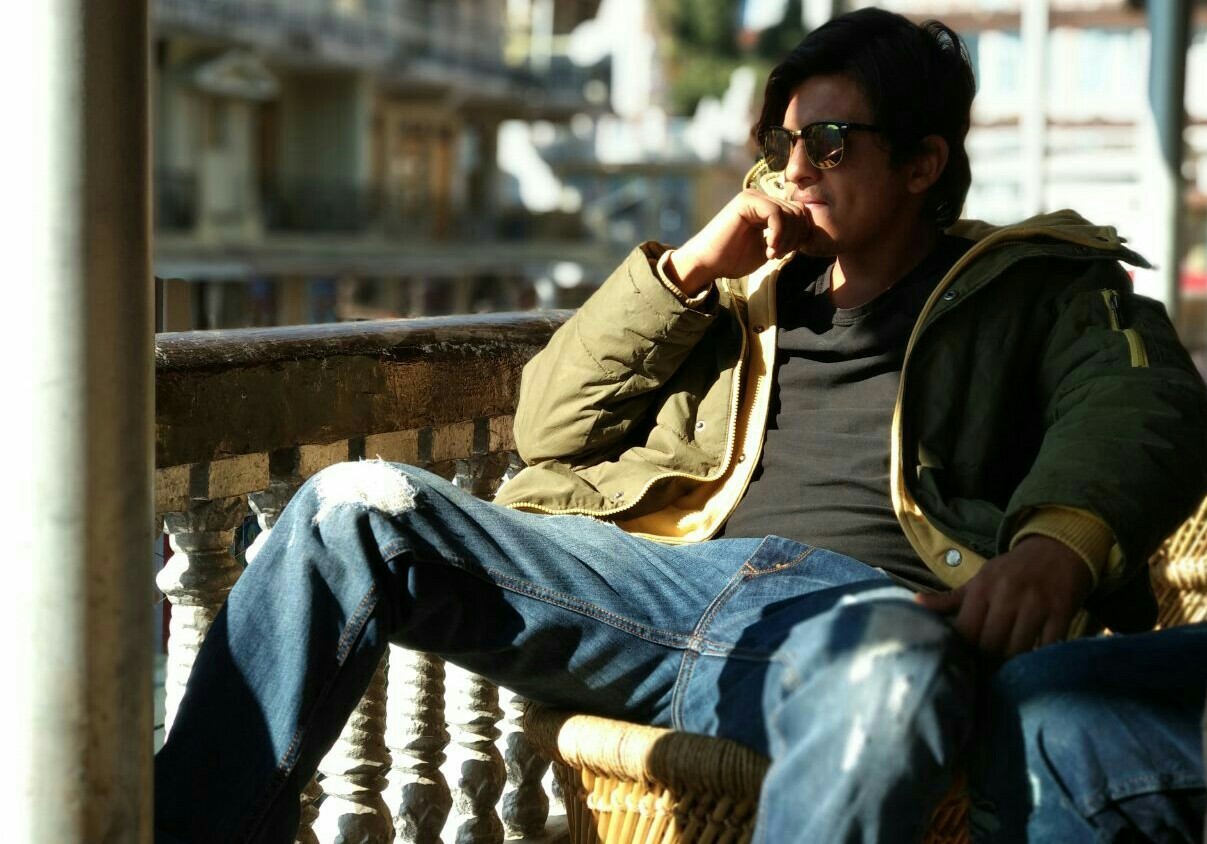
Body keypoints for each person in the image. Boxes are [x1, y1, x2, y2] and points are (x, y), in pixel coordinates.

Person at [155, 8, 1207, 843]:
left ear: (922, 164)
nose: (797, 169)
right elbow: (549, 425)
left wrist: (1057, 544)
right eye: (782, 143)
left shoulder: (1032, 288)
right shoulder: (738, 293)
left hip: (869, 610)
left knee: (885, 669)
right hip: (658, 586)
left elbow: (1139, 402)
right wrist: (691, 267)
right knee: (353, 508)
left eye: (830, 141)